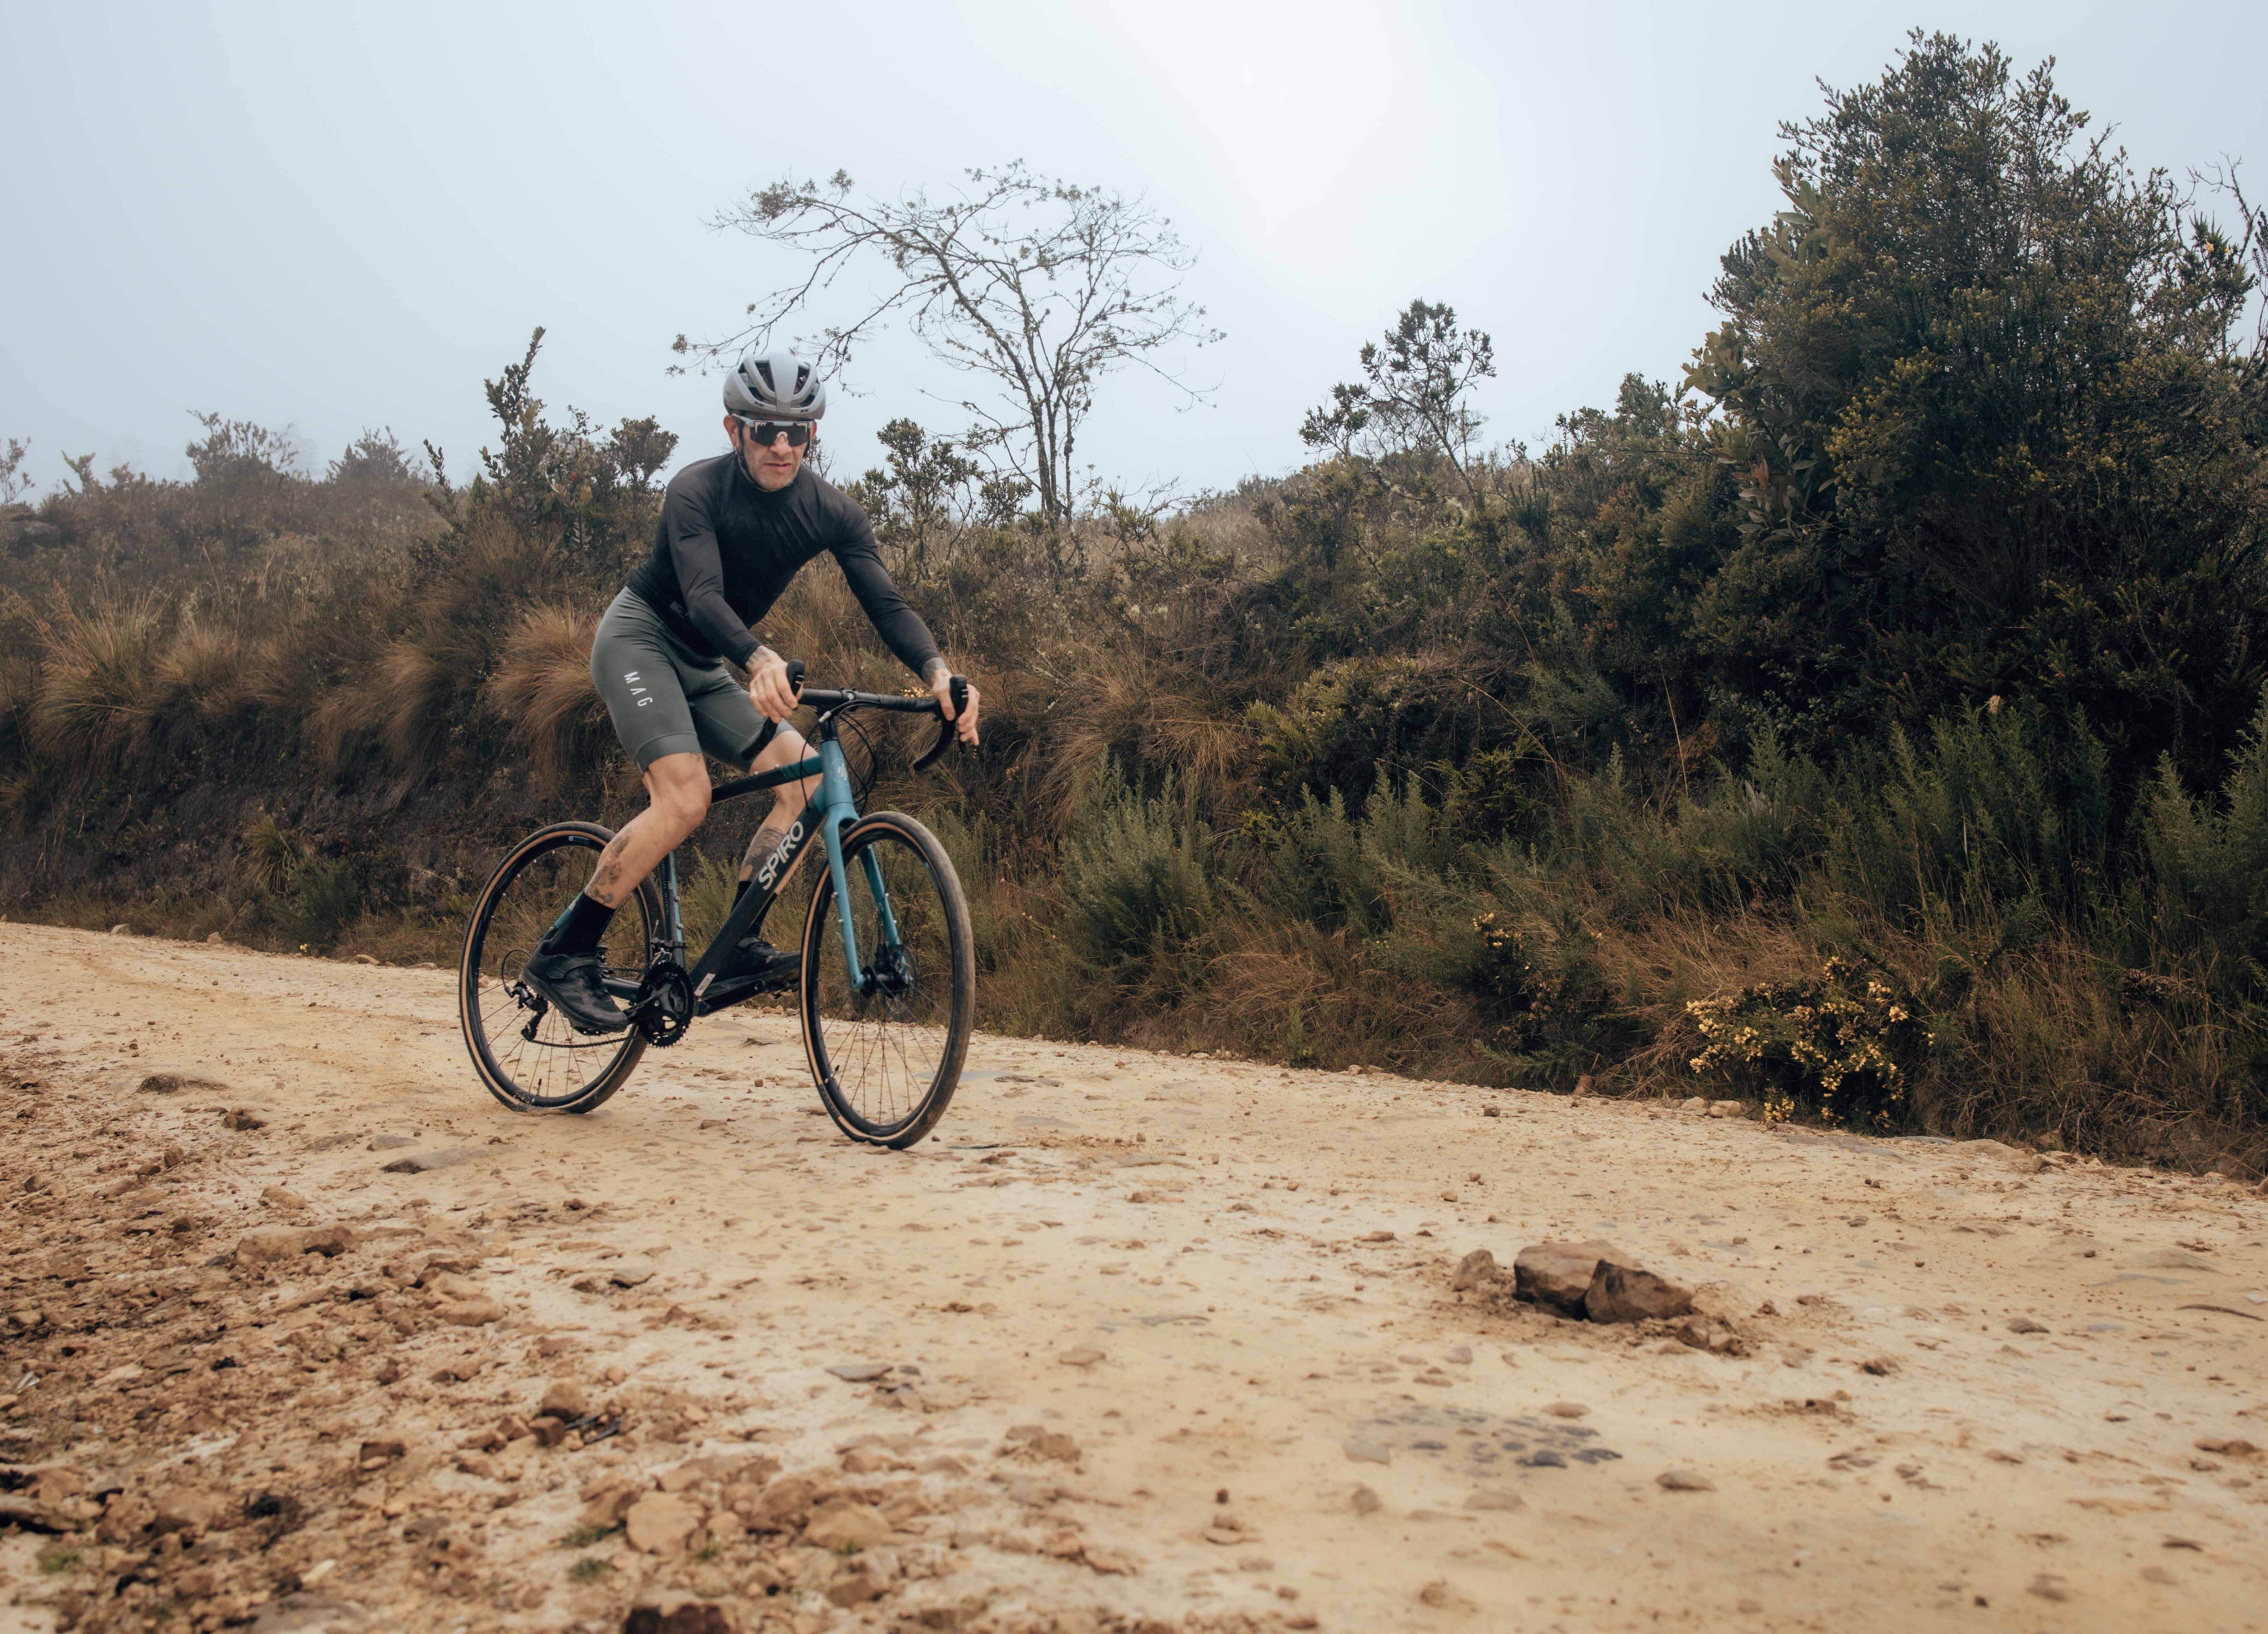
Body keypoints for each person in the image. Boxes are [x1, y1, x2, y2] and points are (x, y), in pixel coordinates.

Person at [519, 351, 980, 1033]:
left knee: (808, 784)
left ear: (814, 436)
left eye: (799, 432)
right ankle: (566, 952)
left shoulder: (833, 512)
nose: (782, 446)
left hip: (708, 664)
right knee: (684, 798)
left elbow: (886, 603)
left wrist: (938, 675)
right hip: (641, 640)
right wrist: (759, 658)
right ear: (733, 430)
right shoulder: (695, 491)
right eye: (765, 430)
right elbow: (702, 595)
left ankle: (736, 944)